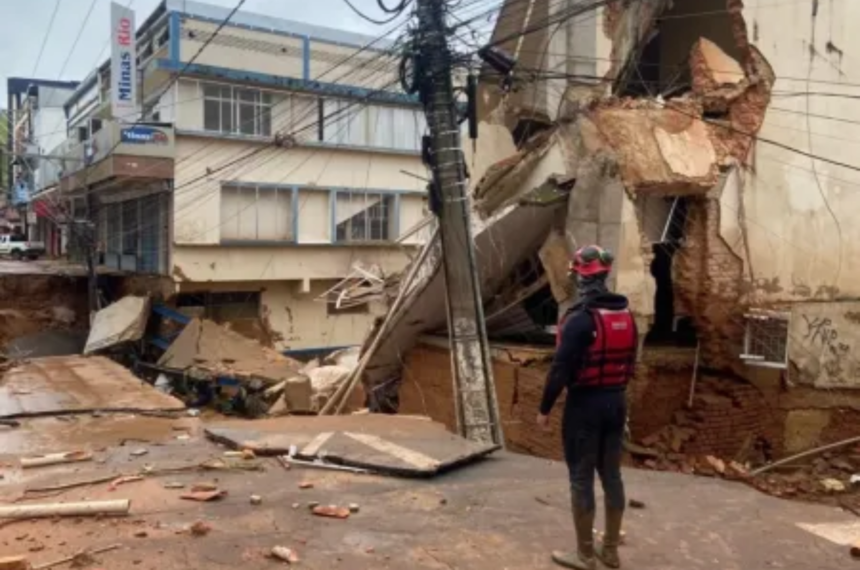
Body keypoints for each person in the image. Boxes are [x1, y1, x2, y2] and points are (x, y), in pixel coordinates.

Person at [537, 244, 638, 570]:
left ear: (580, 278)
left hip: (585, 406)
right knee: (612, 475)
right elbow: (631, 363)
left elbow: (560, 369)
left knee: (581, 478)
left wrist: (544, 408)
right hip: (616, 402)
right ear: (604, 276)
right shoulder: (626, 315)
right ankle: (610, 551)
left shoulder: (579, 319)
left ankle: (584, 555)